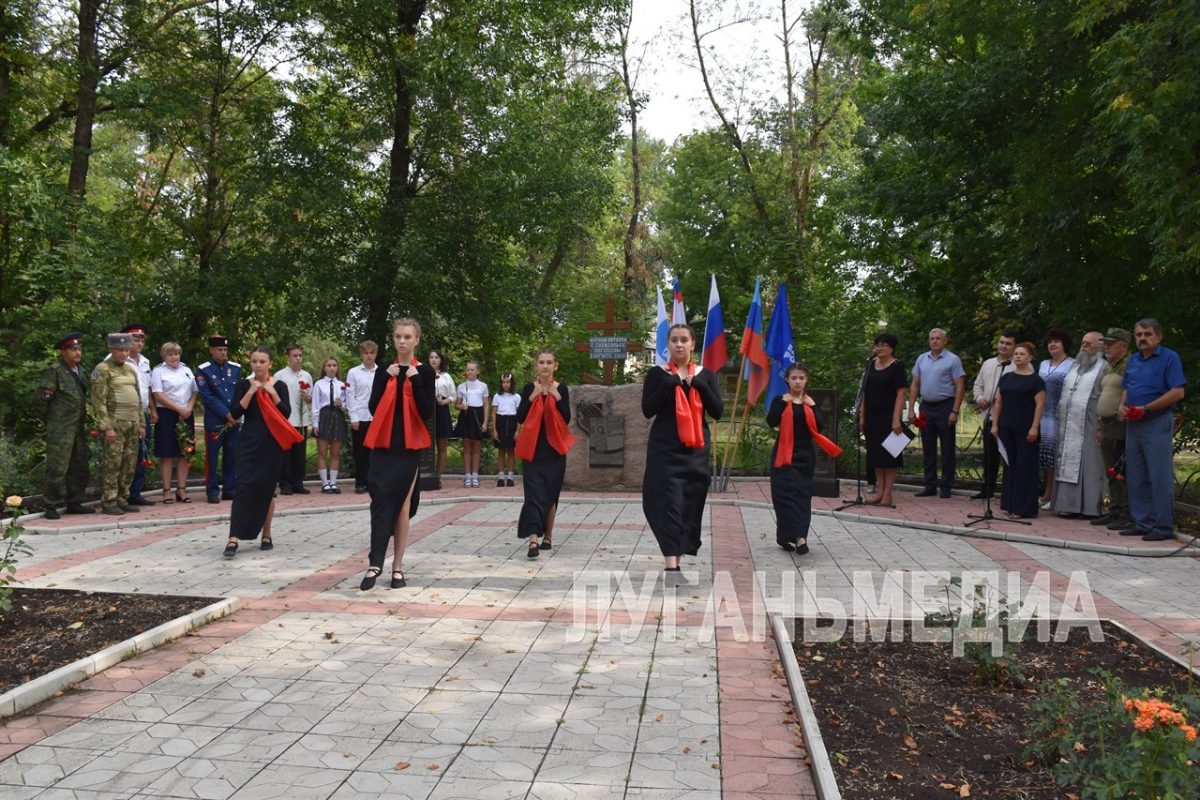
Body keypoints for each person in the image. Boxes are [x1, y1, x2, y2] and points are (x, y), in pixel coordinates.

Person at [641, 324, 724, 577]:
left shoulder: (705, 374)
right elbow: (648, 410)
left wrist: (697, 384)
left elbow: (717, 412)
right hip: (665, 450)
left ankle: (676, 557)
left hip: (695, 452)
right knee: (667, 503)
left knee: (688, 504)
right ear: (667, 345)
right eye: (674, 340)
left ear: (692, 345)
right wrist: (669, 384)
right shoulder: (657, 374)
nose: (679, 344)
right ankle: (671, 565)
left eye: (684, 340)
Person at [361, 318, 435, 590]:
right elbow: (372, 407)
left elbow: (427, 411)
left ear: (417, 340)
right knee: (380, 501)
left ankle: (397, 567)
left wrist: (415, 382)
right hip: (383, 445)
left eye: (407, 337)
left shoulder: (425, 372)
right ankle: (375, 562)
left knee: (403, 507)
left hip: (409, 448)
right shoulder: (383, 369)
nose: (402, 341)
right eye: (398, 336)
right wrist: (386, 379)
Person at [222, 347, 301, 557]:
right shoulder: (243, 384)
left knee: (267, 488)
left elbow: (286, 413)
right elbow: (235, 413)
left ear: (270, 364)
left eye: (262, 361)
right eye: (254, 361)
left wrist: (272, 392)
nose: (257, 365)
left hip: (271, 443)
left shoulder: (280, 385)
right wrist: (251, 391)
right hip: (248, 441)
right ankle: (233, 537)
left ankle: (266, 534)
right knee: (243, 486)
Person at [1119, 318, 1187, 541]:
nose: (1142, 338)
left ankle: (1163, 526)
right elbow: (1127, 388)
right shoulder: (1134, 360)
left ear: (1158, 336)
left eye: (1147, 334)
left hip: (1156, 420)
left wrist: (1146, 408)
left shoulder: (1169, 358)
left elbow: (1177, 392)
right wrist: (1122, 405)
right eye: (1138, 335)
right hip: (1134, 422)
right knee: (1136, 474)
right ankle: (1142, 522)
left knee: (1158, 475)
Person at [768, 363, 842, 554]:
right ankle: (785, 537)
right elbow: (771, 421)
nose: (798, 381)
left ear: (806, 380)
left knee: (802, 497)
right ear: (787, 380)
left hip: (804, 456)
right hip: (783, 455)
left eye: (801, 378)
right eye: (794, 378)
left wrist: (814, 406)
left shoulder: (810, 402)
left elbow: (818, 426)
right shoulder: (781, 400)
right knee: (783, 497)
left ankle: (801, 537)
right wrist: (783, 403)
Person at [516, 353, 574, 557]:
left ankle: (547, 536)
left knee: (551, 493)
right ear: (536, 366)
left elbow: (566, 418)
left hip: (554, 450)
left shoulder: (562, 389)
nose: (545, 366)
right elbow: (520, 416)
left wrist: (557, 398)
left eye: (549, 362)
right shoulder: (528, 388)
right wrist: (533, 396)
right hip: (533, 449)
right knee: (532, 494)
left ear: (555, 366)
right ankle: (533, 540)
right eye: (542, 362)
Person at [37, 333, 93, 519]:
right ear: (63, 352)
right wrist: (51, 422)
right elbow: (42, 400)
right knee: (57, 466)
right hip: (60, 428)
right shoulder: (55, 371)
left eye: (79, 349)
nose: (77, 352)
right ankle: (51, 505)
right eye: (73, 349)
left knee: (79, 465)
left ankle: (74, 502)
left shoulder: (81, 370)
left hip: (78, 427)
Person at [1050, 332, 1106, 517]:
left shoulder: (1103, 368)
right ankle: (1067, 506)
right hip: (1068, 423)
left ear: (1100, 346)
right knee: (1066, 461)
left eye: (1088, 344)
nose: (1084, 347)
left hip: (1089, 423)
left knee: (1089, 465)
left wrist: (1100, 424)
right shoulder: (1074, 367)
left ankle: (1089, 508)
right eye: (1082, 343)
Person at [908, 328, 966, 498]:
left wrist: (955, 410)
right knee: (928, 448)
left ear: (945, 340)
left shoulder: (953, 360)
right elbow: (915, 385)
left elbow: (960, 386)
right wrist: (911, 408)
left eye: (938, 338)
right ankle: (929, 485)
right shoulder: (921, 359)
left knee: (947, 448)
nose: (935, 341)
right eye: (932, 338)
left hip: (946, 406)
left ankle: (946, 485)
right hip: (926, 406)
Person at [991, 342, 1046, 518]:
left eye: (1022, 354)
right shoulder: (1006, 378)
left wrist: (1035, 427)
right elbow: (999, 402)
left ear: (1030, 357)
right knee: (1010, 465)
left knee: (1025, 466)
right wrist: (995, 424)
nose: (1018, 356)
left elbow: (1040, 405)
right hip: (1007, 426)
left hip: (1026, 428)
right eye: (1016, 354)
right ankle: (1009, 503)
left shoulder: (1036, 380)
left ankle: (1023, 507)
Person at [92, 333, 145, 515]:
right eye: (119, 350)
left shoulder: (130, 370)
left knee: (129, 463)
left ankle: (123, 498)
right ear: (111, 350)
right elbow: (98, 401)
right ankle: (109, 500)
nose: (123, 354)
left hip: (132, 422)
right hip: (115, 422)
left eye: (126, 350)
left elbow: (137, 397)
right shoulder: (103, 369)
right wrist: (107, 427)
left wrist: (141, 423)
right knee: (113, 463)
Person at [859, 333, 907, 507]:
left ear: (891, 347)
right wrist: (863, 416)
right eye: (877, 345)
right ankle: (879, 492)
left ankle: (888, 494)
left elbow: (901, 393)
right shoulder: (871, 365)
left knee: (889, 456)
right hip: (872, 416)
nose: (879, 348)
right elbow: (865, 391)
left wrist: (896, 419)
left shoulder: (897, 366)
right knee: (876, 456)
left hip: (889, 416)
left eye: (883, 345)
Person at [970, 333, 1016, 500]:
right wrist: (979, 398)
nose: (1004, 346)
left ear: (1014, 346)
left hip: (1008, 417)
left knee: (1008, 454)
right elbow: (978, 384)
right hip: (988, 415)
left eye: (1008, 343)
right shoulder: (988, 363)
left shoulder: (1017, 364)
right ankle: (987, 489)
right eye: (1002, 342)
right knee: (990, 455)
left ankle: (1008, 490)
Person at [150, 342, 197, 504]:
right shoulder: (158, 371)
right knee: (167, 453)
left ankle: (182, 490)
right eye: (170, 354)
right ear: (164, 356)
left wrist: (188, 409)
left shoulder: (186, 370)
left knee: (186, 452)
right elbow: (158, 394)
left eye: (176, 354)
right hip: (167, 414)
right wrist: (179, 409)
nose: (174, 357)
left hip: (186, 413)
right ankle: (167, 491)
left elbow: (194, 391)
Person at [196, 335, 241, 503]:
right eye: (220, 350)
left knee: (232, 455)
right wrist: (226, 414)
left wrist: (234, 414)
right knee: (212, 457)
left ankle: (230, 489)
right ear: (211, 350)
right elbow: (207, 397)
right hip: (216, 420)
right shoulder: (204, 370)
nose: (223, 353)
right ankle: (212, 491)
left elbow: (238, 393)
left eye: (225, 350)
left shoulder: (235, 368)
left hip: (233, 420)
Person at [1094, 328, 1131, 529]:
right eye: (1105, 343)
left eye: (1111, 343)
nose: (1106, 347)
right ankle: (1114, 510)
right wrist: (1099, 426)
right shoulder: (1109, 367)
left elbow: (1129, 391)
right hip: (1106, 424)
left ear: (1123, 346)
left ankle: (1125, 513)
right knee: (1110, 470)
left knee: (1121, 470)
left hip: (1120, 425)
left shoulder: (1129, 365)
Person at [1037, 327, 1075, 508]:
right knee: (1046, 456)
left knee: (1059, 456)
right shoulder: (1044, 364)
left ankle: (1055, 496)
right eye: (1050, 341)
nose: (1052, 344)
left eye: (1056, 341)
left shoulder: (1073, 364)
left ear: (1064, 344)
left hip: (1062, 415)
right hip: (1043, 414)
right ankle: (1047, 493)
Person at [120, 323, 156, 506]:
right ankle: (120, 494)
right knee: (123, 455)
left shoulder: (145, 361)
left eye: (142, 339)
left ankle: (135, 492)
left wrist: (153, 409)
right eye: (135, 339)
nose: (139, 343)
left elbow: (147, 388)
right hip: (123, 414)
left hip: (142, 413)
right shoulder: (115, 360)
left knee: (141, 453)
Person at [273, 345, 313, 495]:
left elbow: (310, 397)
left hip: (301, 419)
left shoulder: (306, 376)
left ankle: (298, 482)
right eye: (295, 355)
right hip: (286, 419)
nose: (298, 358)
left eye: (300, 355)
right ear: (288, 357)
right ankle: (285, 483)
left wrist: (307, 397)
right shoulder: (280, 375)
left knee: (299, 453)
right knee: (286, 453)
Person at [345, 340, 378, 494]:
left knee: (375, 452)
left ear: (375, 354)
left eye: (371, 353)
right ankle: (360, 482)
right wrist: (354, 417)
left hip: (377, 417)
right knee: (361, 452)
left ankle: (374, 481)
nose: (369, 356)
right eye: (366, 353)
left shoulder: (381, 372)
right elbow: (350, 396)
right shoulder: (353, 372)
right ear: (361, 355)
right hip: (360, 416)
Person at [312, 356, 349, 494]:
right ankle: (324, 483)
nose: (332, 368)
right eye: (329, 365)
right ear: (324, 368)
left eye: (334, 365)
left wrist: (342, 405)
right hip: (324, 416)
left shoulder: (342, 385)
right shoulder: (319, 384)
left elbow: (347, 406)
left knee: (335, 452)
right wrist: (315, 423)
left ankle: (333, 483)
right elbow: (315, 405)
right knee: (322, 452)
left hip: (338, 416)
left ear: (337, 368)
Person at [455, 361, 489, 488]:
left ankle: (475, 475)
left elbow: (486, 405)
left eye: (472, 369)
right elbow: (456, 405)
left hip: (478, 415)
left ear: (478, 371)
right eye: (468, 370)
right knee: (467, 448)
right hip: (466, 415)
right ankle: (467, 476)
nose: (470, 372)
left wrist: (485, 422)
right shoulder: (461, 386)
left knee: (476, 447)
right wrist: (461, 406)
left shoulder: (483, 386)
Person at [429, 349, 455, 485]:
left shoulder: (447, 376)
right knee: (427, 446)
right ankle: (426, 474)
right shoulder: (424, 374)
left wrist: (444, 401)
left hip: (442, 409)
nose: (434, 360)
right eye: (431, 357)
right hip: (428, 411)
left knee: (442, 445)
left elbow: (453, 395)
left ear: (440, 360)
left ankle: (438, 477)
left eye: (436, 357)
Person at [491, 371, 520, 488]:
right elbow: (493, 413)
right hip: (501, 422)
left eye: (508, 382)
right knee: (501, 451)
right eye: (503, 382)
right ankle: (501, 477)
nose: (506, 385)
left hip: (512, 422)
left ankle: (511, 477)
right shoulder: (497, 396)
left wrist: (518, 430)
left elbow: (519, 415)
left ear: (511, 383)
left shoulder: (517, 397)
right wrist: (494, 429)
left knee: (511, 451)